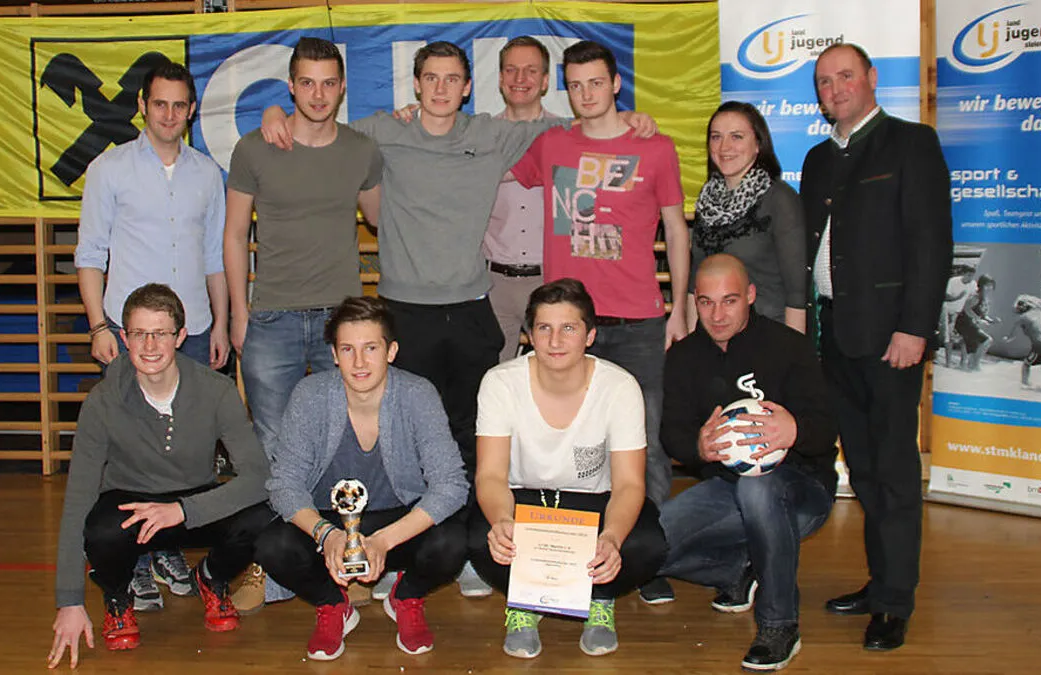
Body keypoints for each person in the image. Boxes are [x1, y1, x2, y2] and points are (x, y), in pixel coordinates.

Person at [261, 40, 657, 599]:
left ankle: (473, 547)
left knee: (474, 436)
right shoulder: (383, 131)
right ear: (416, 86)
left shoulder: (492, 134)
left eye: (453, 79)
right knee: (407, 436)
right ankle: (389, 547)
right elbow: (319, 122)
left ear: (468, 88)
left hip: (471, 306)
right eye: (431, 78)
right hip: (405, 309)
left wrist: (634, 117)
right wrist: (273, 112)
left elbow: (586, 120)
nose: (442, 88)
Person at [506, 40, 688, 604]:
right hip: (565, 327)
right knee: (565, 445)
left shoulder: (654, 148)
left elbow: (677, 231)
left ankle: (644, 559)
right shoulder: (552, 144)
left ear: (616, 85)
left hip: (637, 320)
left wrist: (679, 306)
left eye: (595, 83)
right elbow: (496, 166)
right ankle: (561, 558)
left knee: (645, 443)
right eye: (575, 84)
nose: (586, 94)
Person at [800, 43, 952, 651]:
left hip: (892, 340)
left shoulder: (912, 143)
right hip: (833, 337)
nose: (833, 88)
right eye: (822, 80)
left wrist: (914, 328)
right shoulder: (816, 159)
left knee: (892, 471)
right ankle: (879, 579)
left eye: (844, 76)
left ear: (870, 78)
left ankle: (895, 601)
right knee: (861, 469)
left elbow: (931, 244)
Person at [224, 36, 384, 611]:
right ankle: (273, 567)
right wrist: (239, 314)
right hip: (270, 319)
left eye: (329, 82)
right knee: (275, 454)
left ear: (343, 87)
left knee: (346, 448)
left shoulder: (363, 150)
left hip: (341, 325)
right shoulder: (255, 148)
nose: (318, 94)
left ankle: (352, 563)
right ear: (290, 87)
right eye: (307, 83)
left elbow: (383, 215)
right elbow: (233, 236)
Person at [46, 284, 274, 669]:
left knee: (263, 516)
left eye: (162, 333)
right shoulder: (103, 401)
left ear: (181, 336)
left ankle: (211, 576)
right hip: (131, 505)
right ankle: (118, 596)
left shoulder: (216, 391)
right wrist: (69, 601)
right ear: (125, 337)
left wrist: (183, 510)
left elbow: (257, 476)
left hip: (193, 505)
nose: (150, 346)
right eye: (139, 333)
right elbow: (76, 500)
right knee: (98, 528)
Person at [74, 61, 230, 607]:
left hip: (192, 332)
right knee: (131, 449)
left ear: (191, 111)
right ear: (142, 106)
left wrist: (221, 323)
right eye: (159, 103)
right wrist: (98, 325)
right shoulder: (108, 169)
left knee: (187, 448)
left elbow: (214, 257)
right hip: (126, 331)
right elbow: (91, 254)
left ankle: (167, 542)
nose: (169, 114)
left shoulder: (208, 174)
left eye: (179, 105)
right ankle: (135, 554)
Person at [255, 296, 469, 660]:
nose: (359, 362)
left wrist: (384, 541)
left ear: (391, 351)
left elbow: (451, 484)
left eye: (370, 348)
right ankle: (333, 604)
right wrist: (329, 535)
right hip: (330, 520)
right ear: (334, 354)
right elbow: (284, 484)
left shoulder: (417, 394)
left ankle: (406, 596)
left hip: (396, 520)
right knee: (271, 546)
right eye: (347, 349)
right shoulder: (311, 395)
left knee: (454, 540)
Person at [469, 278, 667, 658]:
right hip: (523, 500)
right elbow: (491, 476)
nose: (555, 341)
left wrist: (610, 538)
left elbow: (628, 485)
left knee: (646, 543)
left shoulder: (620, 387)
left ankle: (600, 598)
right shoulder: (499, 383)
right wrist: (502, 522)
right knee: (482, 538)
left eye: (568, 328)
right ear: (529, 335)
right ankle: (523, 604)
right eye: (544, 328)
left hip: (591, 503)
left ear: (590, 336)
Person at [658, 255, 837, 671]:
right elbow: (673, 433)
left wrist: (795, 430)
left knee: (759, 486)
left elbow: (827, 428)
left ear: (752, 296)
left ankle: (779, 624)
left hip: (800, 489)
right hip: (725, 490)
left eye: (730, 301)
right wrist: (697, 447)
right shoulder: (684, 357)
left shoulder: (789, 346)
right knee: (644, 546)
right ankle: (737, 572)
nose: (717, 315)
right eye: (705, 302)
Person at [689, 101, 806, 333]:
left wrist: (795, 354)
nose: (724, 147)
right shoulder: (707, 200)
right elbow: (695, 282)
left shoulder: (780, 198)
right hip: (713, 338)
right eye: (716, 137)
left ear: (758, 144)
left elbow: (796, 292)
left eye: (737, 136)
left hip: (768, 336)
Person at [483, 36, 564, 361]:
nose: (520, 79)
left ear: (545, 81)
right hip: (492, 285)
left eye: (530, 71)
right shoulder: (479, 134)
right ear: (500, 79)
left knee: (555, 376)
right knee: (492, 382)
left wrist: (634, 118)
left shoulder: (568, 134)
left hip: (551, 279)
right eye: (512, 70)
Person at [1001, 294, 1041, 387]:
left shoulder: (1022, 318)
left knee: (1026, 364)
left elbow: (1012, 335)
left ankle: (1024, 385)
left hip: (1040, 347)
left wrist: (1006, 339)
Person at [955, 274, 998, 371]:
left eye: (991, 286)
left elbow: (981, 313)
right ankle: (975, 363)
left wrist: (990, 320)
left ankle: (970, 364)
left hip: (969, 323)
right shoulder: (976, 296)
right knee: (987, 340)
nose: (989, 288)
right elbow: (967, 309)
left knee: (973, 345)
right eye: (987, 285)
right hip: (963, 322)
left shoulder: (984, 298)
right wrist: (979, 319)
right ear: (981, 285)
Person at [940, 266, 975, 367]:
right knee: (948, 338)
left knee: (963, 337)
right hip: (947, 311)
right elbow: (946, 297)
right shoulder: (953, 281)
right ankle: (948, 362)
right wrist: (958, 297)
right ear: (963, 274)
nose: (970, 278)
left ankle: (963, 362)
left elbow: (973, 298)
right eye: (969, 275)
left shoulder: (972, 284)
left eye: (972, 276)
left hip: (959, 313)